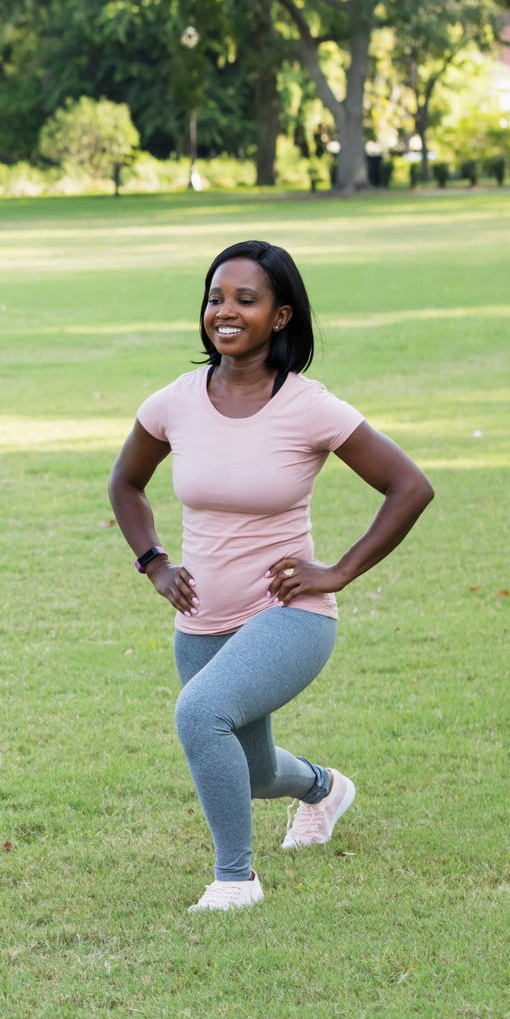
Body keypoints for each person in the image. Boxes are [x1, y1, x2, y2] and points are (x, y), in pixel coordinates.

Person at [109, 240, 433, 913]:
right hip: (200, 622)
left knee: (201, 715)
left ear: (281, 317)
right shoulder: (175, 401)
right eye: (215, 298)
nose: (224, 312)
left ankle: (236, 881)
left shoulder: (308, 406)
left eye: (245, 300)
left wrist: (339, 571)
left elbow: (409, 486)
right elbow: (126, 484)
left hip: (289, 616)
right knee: (251, 772)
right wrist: (155, 564)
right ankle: (323, 790)